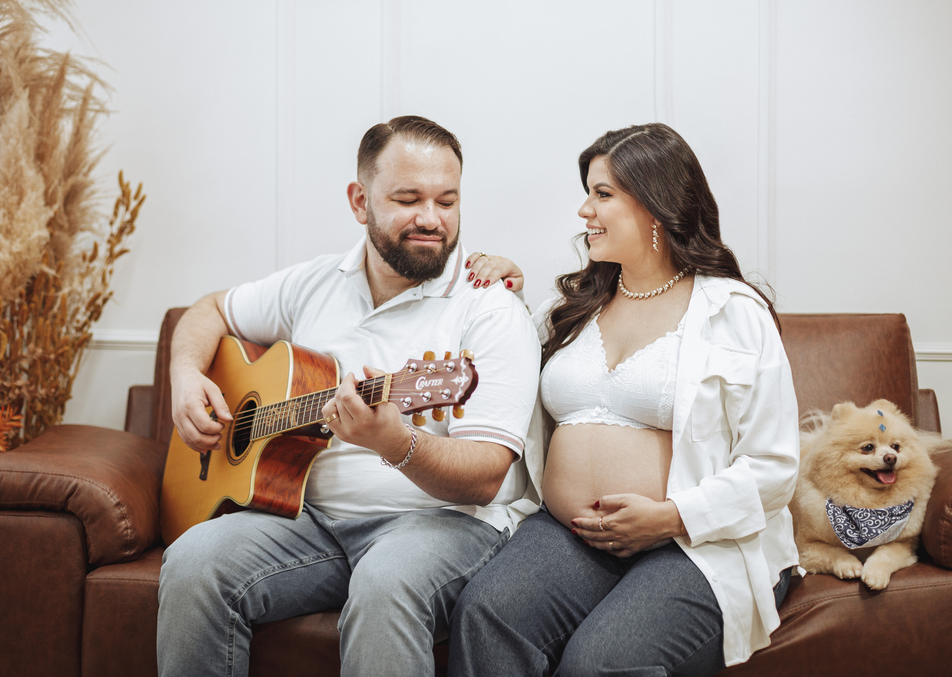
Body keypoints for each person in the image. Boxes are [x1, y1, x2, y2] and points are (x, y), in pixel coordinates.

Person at [156, 116, 542, 677]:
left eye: (447, 201)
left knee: (385, 584)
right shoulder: (314, 282)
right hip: (309, 518)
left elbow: (485, 474)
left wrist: (396, 443)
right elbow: (210, 309)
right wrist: (186, 376)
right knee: (192, 563)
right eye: (408, 199)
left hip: (444, 522)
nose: (431, 219)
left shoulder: (490, 308)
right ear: (360, 201)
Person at [449, 123, 800, 676]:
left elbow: (775, 468)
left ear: (656, 204)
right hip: (570, 535)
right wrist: (504, 298)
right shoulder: (570, 309)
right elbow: (500, 376)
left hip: (693, 544)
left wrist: (669, 517)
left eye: (602, 193)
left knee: (600, 662)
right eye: (588, 192)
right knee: (487, 614)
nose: (584, 210)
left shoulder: (732, 312)